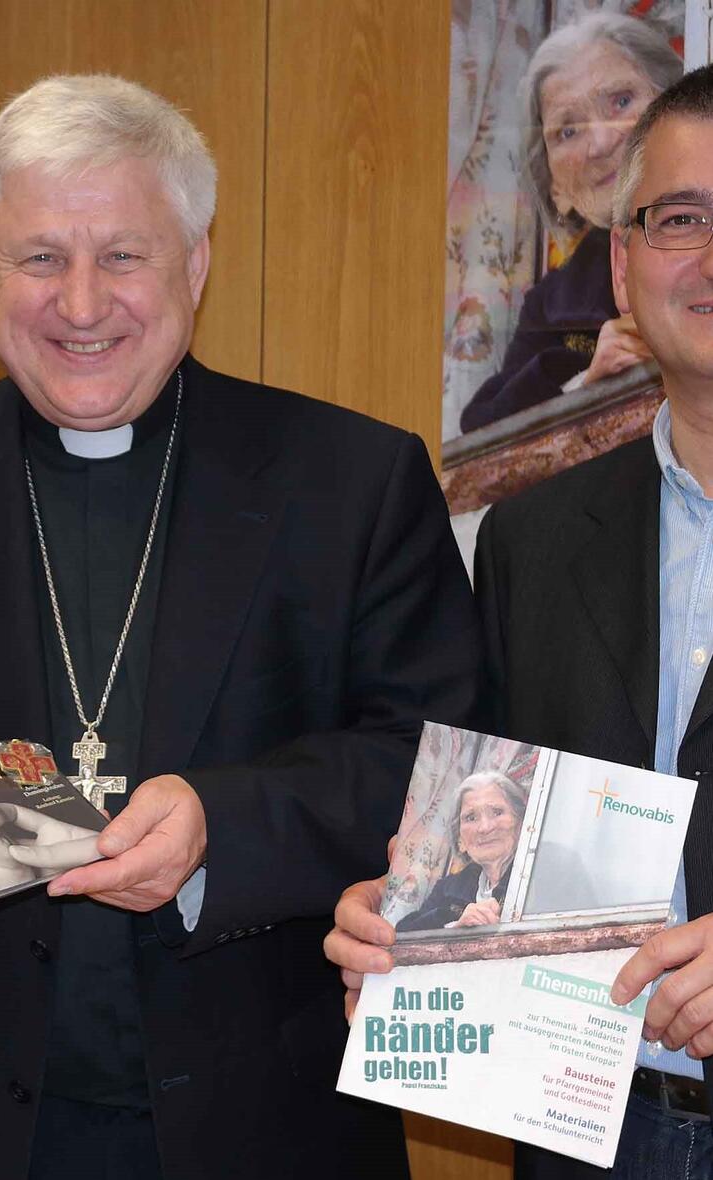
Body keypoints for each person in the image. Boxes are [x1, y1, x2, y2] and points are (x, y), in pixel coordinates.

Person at [0, 73, 485, 1179]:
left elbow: (439, 772)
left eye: (124, 255)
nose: (83, 303)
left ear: (194, 262)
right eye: (40, 257)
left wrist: (220, 821)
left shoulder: (349, 479)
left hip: (270, 1125)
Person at [328, 63, 713, 1179]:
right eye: (679, 216)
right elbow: (490, 825)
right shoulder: (529, 541)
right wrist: (417, 927)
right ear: (623, 259)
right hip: (591, 1131)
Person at [459, 12, 679, 434]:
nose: (600, 142)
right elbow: (482, 436)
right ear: (555, 186)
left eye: (620, 101)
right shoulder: (553, 301)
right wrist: (585, 390)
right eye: (568, 131)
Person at [395, 770, 525, 933]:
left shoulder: (534, 876)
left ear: (521, 824)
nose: (484, 828)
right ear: (460, 840)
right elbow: (404, 933)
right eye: (471, 817)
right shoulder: (450, 887)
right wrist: (455, 926)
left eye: (497, 812)